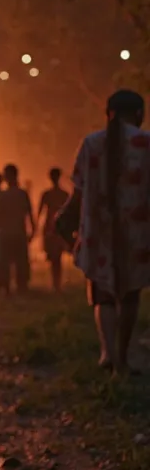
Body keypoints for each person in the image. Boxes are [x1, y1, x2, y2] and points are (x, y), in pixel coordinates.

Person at [58, 89, 150, 373]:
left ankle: (107, 354)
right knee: (131, 292)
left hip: (98, 230)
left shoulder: (91, 143)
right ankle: (122, 356)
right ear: (139, 114)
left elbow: (79, 191)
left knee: (103, 293)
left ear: (108, 114)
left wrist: (64, 221)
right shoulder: (147, 143)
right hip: (137, 231)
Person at [0, 163, 35, 294]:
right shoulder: (22, 194)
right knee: (20, 262)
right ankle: (21, 287)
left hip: (7, 234)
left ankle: (7, 288)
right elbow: (29, 214)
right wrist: (32, 230)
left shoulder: (3, 195)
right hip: (17, 233)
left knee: (6, 262)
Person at [38, 167, 68, 291]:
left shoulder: (48, 194)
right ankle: (56, 283)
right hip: (56, 227)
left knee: (55, 257)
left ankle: (56, 283)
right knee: (56, 257)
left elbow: (40, 212)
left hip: (53, 227)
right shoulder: (63, 194)